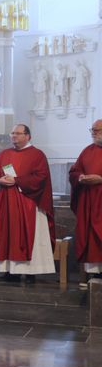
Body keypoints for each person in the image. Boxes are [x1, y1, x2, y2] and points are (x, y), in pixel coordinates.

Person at [0, 124, 54, 281]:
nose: (14, 136)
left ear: (28, 136)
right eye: (12, 133)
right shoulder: (4, 154)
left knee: (27, 235)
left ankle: (30, 271)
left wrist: (17, 181)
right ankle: (8, 270)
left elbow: (41, 177)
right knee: (6, 235)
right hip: (5, 204)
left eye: (18, 133)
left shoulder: (37, 155)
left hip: (28, 204)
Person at [69, 120, 102, 282]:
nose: (93, 133)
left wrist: (100, 179)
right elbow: (74, 170)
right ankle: (95, 274)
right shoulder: (88, 151)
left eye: (97, 130)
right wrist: (80, 177)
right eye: (92, 130)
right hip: (90, 201)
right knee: (92, 240)